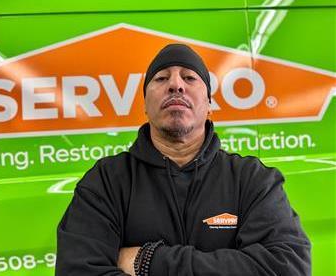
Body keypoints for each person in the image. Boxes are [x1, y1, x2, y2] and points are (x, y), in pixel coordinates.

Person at [55, 44, 311, 275]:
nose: (176, 84)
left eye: (189, 78)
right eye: (161, 78)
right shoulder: (107, 182)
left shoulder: (252, 179)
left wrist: (150, 260)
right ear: (145, 104)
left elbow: (288, 267)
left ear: (209, 104)